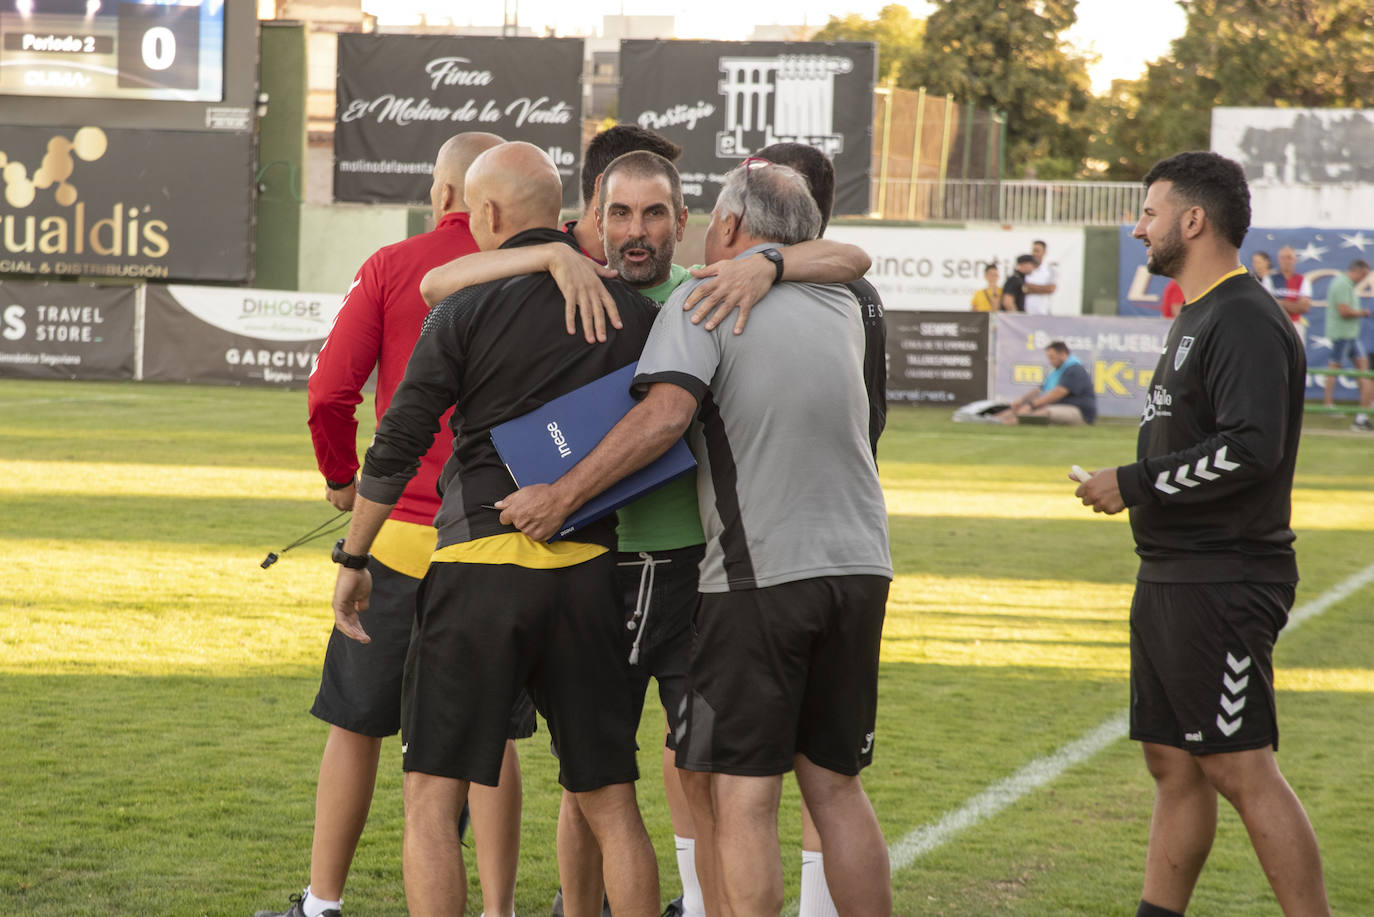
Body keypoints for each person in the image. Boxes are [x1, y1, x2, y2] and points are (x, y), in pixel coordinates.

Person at [415, 145, 873, 917]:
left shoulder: (707, 290)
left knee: (705, 776)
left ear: (686, 222)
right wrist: (549, 262)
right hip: (599, 568)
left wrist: (765, 264)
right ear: (591, 217)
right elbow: (437, 282)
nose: (636, 230)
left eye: (654, 213)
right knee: (591, 782)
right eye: (619, 213)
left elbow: (851, 253)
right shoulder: (564, 271)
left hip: (699, 569)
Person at [329, 142, 663, 917]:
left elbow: (399, 439)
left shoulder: (463, 305)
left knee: (430, 798)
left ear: (484, 214)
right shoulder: (635, 311)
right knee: (612, 803)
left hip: (478, 568)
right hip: (587, 573)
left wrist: (354, 553)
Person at [258, 132, 530, 917]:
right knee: (493, 740)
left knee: (354, 722)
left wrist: (343, 480)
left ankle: (322, 903)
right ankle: (500, 907)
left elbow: (329, 392)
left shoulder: (392, 265)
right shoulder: (544, 272)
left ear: (443, 194)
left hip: (397, 540)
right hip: (497, 540)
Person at [1075, 150, 1330, 917]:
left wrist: (1136, 482)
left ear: (1194, 220)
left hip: (1225, 578)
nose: (1137, 227)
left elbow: (1252, 448)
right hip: (1172, 577)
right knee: (1174, 765)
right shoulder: (1196, 313)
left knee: (1238, 764)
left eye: (1149, 213)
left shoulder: (1246, 316)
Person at [1321, 258, 1373, 431]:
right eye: (1364, 275)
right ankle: (1327, 404)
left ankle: (1364, 406)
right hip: (1341, 334)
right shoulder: (1341, 284)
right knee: (1334, 368)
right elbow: (1343, 311)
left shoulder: (1348, 284)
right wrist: (1363, 313)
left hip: (1351, 334)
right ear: (1357, 271)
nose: (1363, 279)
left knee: (1363, 368)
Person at [996, 341, 1096, 426]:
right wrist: (1021, 401)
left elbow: (1058, 392)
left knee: (1039, 413)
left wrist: (1032, 405)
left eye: (1052, 358)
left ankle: (1006, 425)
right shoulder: (1057, 371)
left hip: (1079, 413)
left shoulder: (1075, 370)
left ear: (1063, 355)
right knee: (1015, 411)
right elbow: (1039, 390)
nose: (1050, 361)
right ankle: (994, 421)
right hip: (1057, 407)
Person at [1269, 244, 1313, 326]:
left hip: (1296, 325)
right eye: (1283, 258)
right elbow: (1268, 305)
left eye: (1289, 257)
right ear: (1279, 259)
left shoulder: (1302, 280)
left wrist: (1278, 302)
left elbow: (1304, 307)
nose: (1286, 261)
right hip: (1275, 325)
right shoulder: (1269, 279)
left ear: (1295, 259)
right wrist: (1295, 304)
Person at [1023, 239, 1057, 314]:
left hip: (1042, 313)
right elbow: (1022, 288)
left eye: (1037, 251)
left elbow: (1051, 289)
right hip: (1025, 313)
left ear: (1044, 252)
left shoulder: (1050, 270)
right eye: (1033, 251)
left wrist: (1030, 287)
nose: (1034, 254)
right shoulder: (1026, 270)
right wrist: (1043, 289)